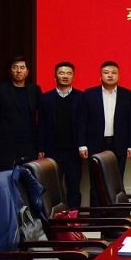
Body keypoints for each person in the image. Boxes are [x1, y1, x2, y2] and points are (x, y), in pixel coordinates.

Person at [77, 61, 131, 201]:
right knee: (96, 183)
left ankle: (116, 213)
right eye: (106, 73)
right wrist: (82, 144)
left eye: (114, 73)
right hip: (96, 144)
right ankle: (96, 214)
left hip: (118, 144)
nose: (110, 75)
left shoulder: (127, 94)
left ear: (119, 76)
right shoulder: (89, 94)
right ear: (100, 76)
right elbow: (82, 121)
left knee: (117, 182)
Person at [37, 61, 83, 207]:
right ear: (55, 76)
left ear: (73, 77)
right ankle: (56, 217)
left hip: (74, 151)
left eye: (69, 73)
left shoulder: (81, 97)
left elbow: (84, 125)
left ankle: (74, 216)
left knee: (74, 186)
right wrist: (41, 148)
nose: (65, 76)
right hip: (52, 150)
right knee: (53, 187)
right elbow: (41, 125)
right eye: (61, 73)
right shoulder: (45, 98)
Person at [0, 55, 41, 169]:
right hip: (7, 145)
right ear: (10, 71)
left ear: (27, 72)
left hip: (30, 144)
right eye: (15, 67)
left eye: (22, 67)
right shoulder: (0, 90)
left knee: (29, 176)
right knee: (8, 176)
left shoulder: (34, 90)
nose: (19, 71)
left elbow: (41, 116)